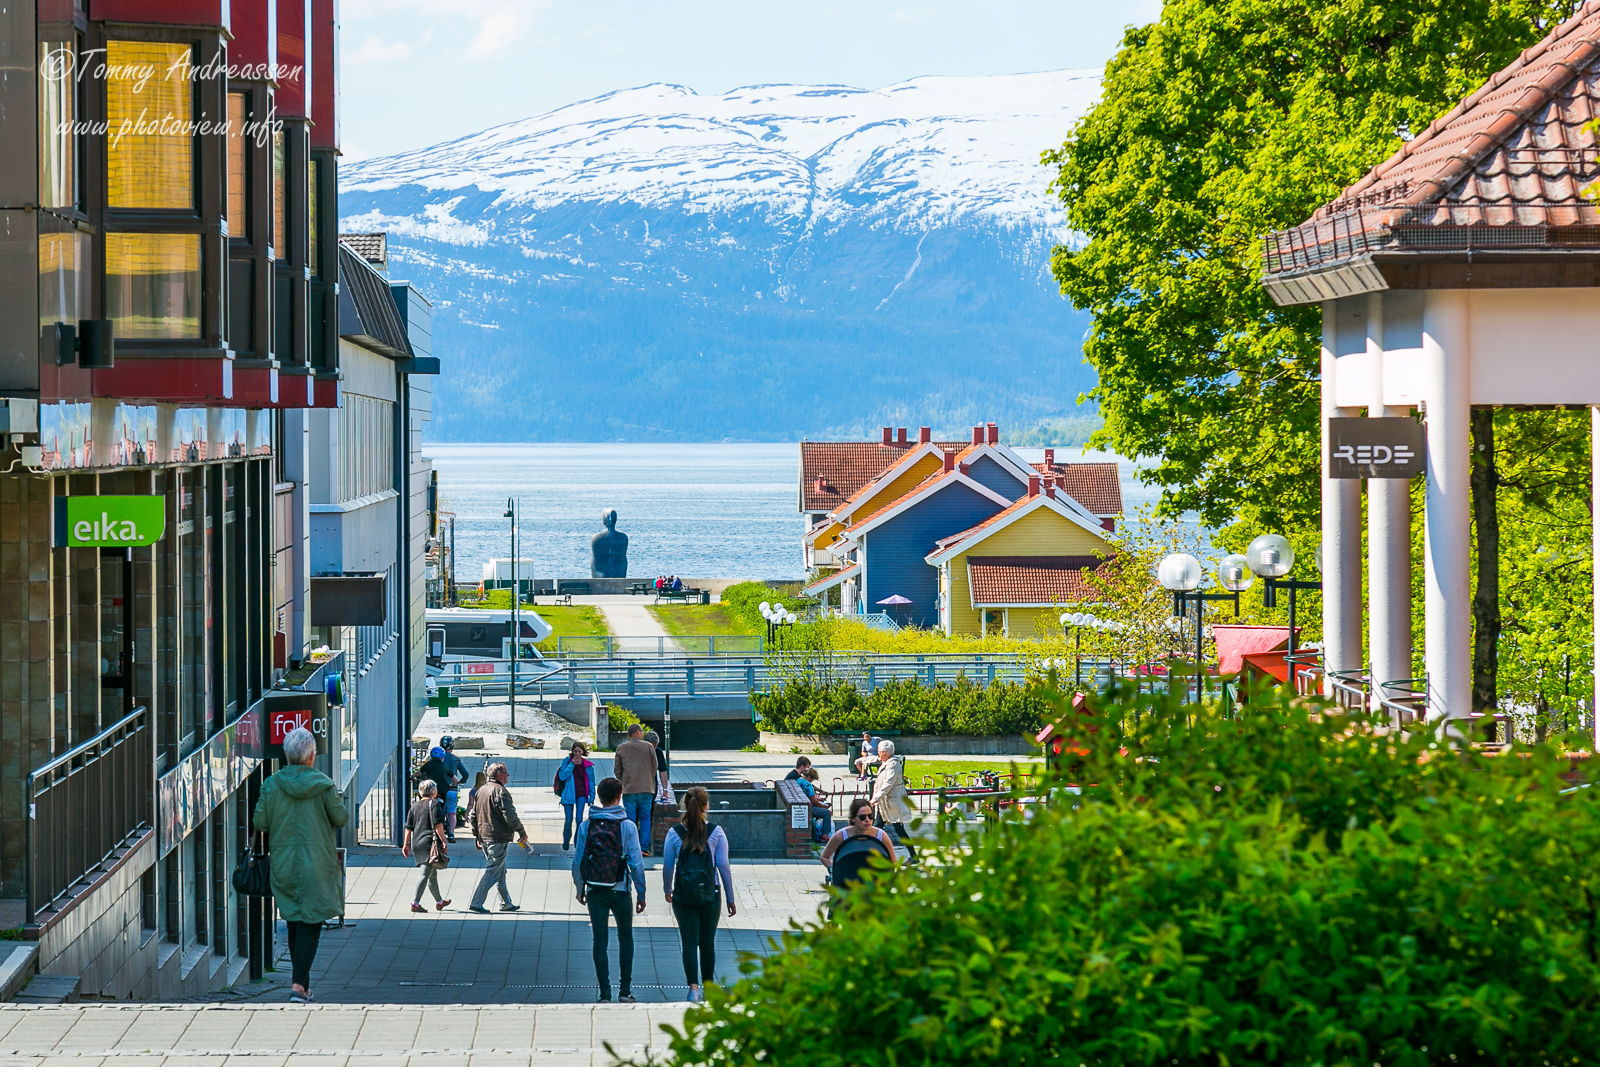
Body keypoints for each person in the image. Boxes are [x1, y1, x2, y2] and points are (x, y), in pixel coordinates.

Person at [252, 727, 349, 1003]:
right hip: (317, 864)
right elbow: (341, 818)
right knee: (312, 921)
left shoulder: (271, 784)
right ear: (311, 756)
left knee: (294, 919)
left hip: (284, 862)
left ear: (286, 755)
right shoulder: (324, 784)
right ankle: (297, 985)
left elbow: (260, 822)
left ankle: (303, 986)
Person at [572, 776, 646, 1003]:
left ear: (599, 797)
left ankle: (604, 992)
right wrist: (641, 891)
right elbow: (635, 862)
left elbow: (578, 861)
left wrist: (580, 886)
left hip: (595, 889)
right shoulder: (627, 826)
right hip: (621, 888)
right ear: (619, 796)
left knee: (599, 940)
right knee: (626, 938)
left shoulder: (587, 825)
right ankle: (625, 991)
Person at [662, 786, 736, 1003]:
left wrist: (668, 890)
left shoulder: (673, 834)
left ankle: (693, 989)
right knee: (707, 941)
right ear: (706, 806)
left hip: (683, 895)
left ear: (685, 805)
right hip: (710, 895)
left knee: (688, 941)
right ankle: (709, 988)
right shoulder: (716, 832)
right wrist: (730, 898)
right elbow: (723, 867)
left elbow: (668, 867)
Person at [468, 761, 528, 913]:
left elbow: (473, 815)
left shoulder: (481, 790)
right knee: (493, 870)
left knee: (499, 871)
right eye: (506, 773)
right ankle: (476, 902)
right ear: (499, 775)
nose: (508, 775)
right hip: (497, 837)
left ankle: (506, 903)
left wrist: (477, 835)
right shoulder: (501, 791)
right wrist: (521, 831)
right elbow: (510, 815)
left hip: (485, 836)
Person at [819, 798, 897, 890]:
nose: (867, 820)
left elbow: (893, 861)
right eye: (862, 817)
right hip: (848, 884)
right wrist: (835, 870)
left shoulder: (881, 836)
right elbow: (824, 857)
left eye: (870, 816)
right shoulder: (841, 835)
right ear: (853, 818)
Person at [402, 781, 451, 912]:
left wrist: (406, 844)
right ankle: (415, 903)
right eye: (435, 788)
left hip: (417, 842)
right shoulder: (434, 804)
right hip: (429, 843)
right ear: (432, 791)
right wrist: (444, 841)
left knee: (432, 874)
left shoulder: (415, 806)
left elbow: (408, 828)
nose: (436, 790)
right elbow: (438, 824)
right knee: (425, 872)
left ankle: (439, 901)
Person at [612, 724, 659, 856]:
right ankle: (644, 847)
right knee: (645, 818)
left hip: (629, 789)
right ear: (637, 732)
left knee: (630, 818)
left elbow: (617, 770)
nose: (642, 733)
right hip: (646, 788)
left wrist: (624, 779)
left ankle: (631, 846)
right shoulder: (648, 746)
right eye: (641, 731)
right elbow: (655, 766)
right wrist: (648, 777)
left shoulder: (621, 748)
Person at [870, 739, 918, 861]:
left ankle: (912, 855)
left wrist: (875, 798)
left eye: (879, 751)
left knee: (896, 830)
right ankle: (873, 855)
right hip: (885, 803)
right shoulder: (887, 762)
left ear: (885, 752)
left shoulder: (893, 764)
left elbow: (888, 783)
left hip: (892, 803)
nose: (878, 753)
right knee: (878, 829)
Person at [555, 742, 596, 851]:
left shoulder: (587, 765)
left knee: (579, 819)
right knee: (569, 819)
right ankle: (566, 839)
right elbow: (562, 776)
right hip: (569, 793)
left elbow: (591, 781)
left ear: (583, 752)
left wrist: (592, 796)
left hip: (581, 793)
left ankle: (577, 841)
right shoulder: (567, 761)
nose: (577, 754)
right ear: (572, 752)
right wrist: (571, 765)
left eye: (579, 751)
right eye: (575, 751)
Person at [438, 737, 467, 841]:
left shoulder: (434, 759)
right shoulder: (455, 759)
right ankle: (451, 833)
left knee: (436, 811)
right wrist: (461, 781)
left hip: (437, 791)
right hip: (451, 789)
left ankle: (437, 832)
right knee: (452, 812)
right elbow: (465, 774)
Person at [802, 767, 833, 842]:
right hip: (808, 807)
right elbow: (813, 800)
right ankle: (824, 835)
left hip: (803, 804)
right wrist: (823, 806)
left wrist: (819, 798)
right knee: (827, 813)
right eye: (812, 779)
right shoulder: (808, 785)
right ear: (809, 777)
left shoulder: (799, 780)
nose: (812, 781)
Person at [643, 729, 671, 804]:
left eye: (655, 746)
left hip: (652, 786)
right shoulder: (640, 752)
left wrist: (665, 789)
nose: (653, 749)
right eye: (651, 746)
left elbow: (662, 771)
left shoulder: (658, 752)